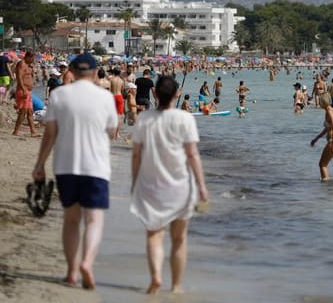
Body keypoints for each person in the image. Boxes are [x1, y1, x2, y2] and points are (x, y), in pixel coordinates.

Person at [32, 53, 118, 290]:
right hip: (96, 167)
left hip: (65, 166)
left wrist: (39, 165)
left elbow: (50, 134)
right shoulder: (105, 97)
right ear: (93, 72)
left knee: (71, 220)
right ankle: (87, 263)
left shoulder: (59, 95)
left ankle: (71, 272)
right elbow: (111, 132)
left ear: (71, 70)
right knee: (94, 219)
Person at [130, 76, 209, 295]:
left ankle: (156, 276)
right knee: (179, 238)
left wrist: (134, 182)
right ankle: (176, 286)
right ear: (177, 94)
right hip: (181, 186)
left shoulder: (144, 119)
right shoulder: (185, 119)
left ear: (155, 94)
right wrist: (202, 186)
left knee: (154, 234)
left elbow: (136, 156)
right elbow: (192, 155)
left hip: (151, 185)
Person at [13, 52, 40, 137]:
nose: (33, 60)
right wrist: (23, 88)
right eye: (32, 58)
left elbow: (29, 77)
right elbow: (19, 77)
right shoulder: (21, 63)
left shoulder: (28, 65)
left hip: (28, 91)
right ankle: (16, 131)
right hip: (23, 90)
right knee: (23, 112)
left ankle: (33, 131)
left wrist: (32, 69)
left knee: (30, 112)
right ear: (28, 57)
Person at [110, 68, 125, 140]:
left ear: (114, 73)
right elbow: (122, 91)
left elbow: (109, 89)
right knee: (119, 116)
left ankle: (112, 133)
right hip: (119, 96)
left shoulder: (111, 80)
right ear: (119, 73)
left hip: (112, 96)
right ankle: (117, 133)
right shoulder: (122, 81)